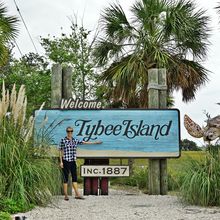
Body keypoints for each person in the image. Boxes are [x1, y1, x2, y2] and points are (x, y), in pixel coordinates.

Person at [58, 126, 102, 200]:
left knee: (74, 178)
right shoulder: (63, 140)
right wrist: (61, 162)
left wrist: (95, 142)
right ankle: (65, 195)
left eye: (71, 131)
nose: (70, 133)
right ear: (66, 132)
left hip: (73, 161)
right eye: (68, 131)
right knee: (65, 178)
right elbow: (60, 151)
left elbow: (84, 142)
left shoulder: (75, 140)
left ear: (72, 132)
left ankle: (77, 194)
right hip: (66, 160)